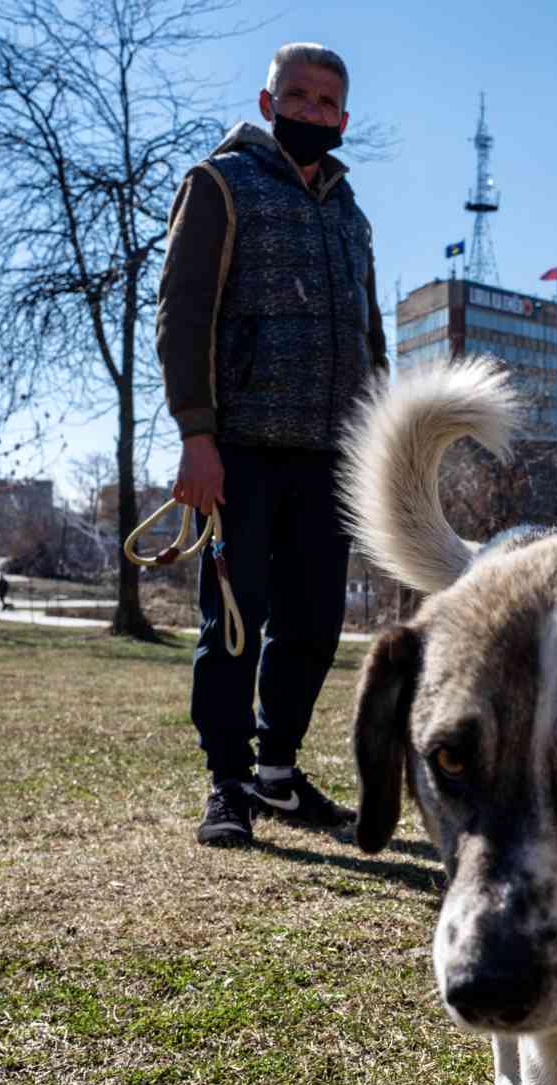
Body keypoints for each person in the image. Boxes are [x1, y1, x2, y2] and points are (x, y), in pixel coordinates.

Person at [158, 41, 383, 846]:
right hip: (241, 450)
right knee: (235, 622)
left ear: (344, 118)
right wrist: (197, 437)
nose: (313, 113)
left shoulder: (352, 215)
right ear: (267, 103)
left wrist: (379, 445)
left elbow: (371, 336)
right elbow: (182, 317)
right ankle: (227, 782)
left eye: (328, 103)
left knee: (315, 624)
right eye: (298, 97)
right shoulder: (219, 184)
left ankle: (277, 774)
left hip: (334, 459)